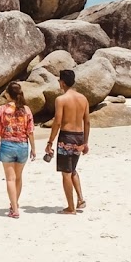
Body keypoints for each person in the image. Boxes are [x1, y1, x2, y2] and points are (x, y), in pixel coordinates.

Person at [46, 70, 90, 215]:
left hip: (66, 137)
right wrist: (85, 142)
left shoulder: (61, 99)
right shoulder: (83, 98)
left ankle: (71, 208)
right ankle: (80, 199)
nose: (59, 83)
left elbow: (57, 122)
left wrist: (50, 142)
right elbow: (87, 122)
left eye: (59, 81)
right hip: (79, 136)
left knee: (66, 173)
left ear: (63, 82)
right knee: (72, 170)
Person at [0, 82, 36, 219]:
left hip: (7, 145)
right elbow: (30, 131)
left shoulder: (2, 109)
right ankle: (14, 204)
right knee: (18, 178)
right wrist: (33, 149)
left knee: (10, 179)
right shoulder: (26, 110)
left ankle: (15, 209)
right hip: (23, 145)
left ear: (8, 94)